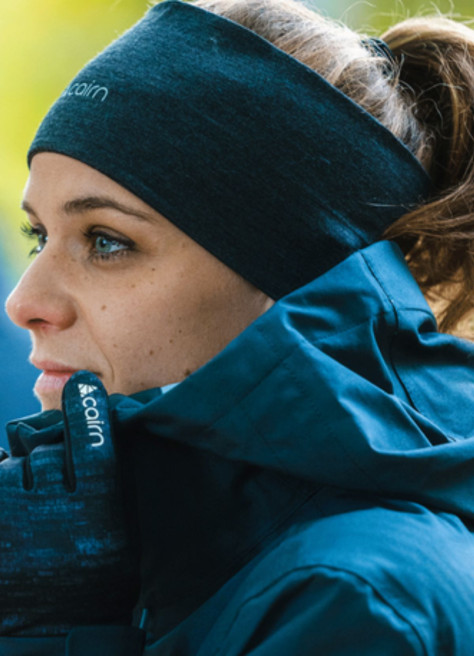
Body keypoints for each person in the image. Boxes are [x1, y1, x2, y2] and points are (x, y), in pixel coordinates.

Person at [1, 0, 473, 653]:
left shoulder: (359, 600)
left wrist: (57, 638)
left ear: (290, 283)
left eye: (106, 242)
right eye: (38, 236)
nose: (23, 302)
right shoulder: (172, 550)